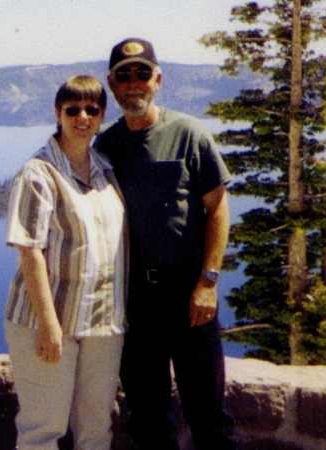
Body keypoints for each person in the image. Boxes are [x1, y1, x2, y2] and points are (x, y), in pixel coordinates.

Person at [95, 38, 236, 450]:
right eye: (124, 75)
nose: (134, 83)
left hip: (189, 294)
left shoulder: (189, 134)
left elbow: (219, 210)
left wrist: (208, 281)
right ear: (112, 84)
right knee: (148, 417)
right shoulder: (106, 147)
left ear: (158, 78)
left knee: (208, 413)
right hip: (135, 298)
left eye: (142, 73)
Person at [4, 75, 128, 450]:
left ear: (102, 114)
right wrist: (48, 325)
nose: (83, 117)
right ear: (58, 113)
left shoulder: (105, 170)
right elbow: (30, 251)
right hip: (49, 322)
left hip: (103, 324)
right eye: (72, 109)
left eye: (92, 109)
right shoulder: (37, 173)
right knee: (43, 430)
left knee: (96, 430)